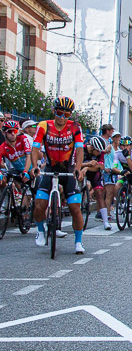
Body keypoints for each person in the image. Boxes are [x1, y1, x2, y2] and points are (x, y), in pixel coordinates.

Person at [29, 97, 86, 254]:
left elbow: (80, 149)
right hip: (49, 168)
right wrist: (35, 166)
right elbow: (35, 148)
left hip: (68, 169)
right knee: (40, 204)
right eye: (60, 113)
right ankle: (41, 231)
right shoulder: (44, 126)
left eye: (66, 114)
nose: (62, 117)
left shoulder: (75, 127)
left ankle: (78, 241)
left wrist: (79, 168)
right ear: (54, 111)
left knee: (75, 208)